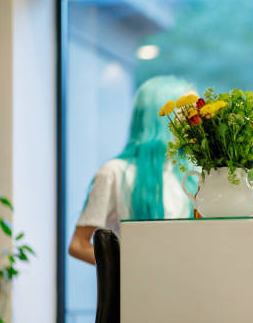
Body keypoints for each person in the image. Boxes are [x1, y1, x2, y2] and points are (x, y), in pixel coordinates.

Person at [69, 76, 198, 265]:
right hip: (137, 290)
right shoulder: (113, 173)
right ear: (160, 117)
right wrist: (130, 267)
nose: (195, 122)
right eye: (188, 114)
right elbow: (78, 244)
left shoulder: (191, 174)